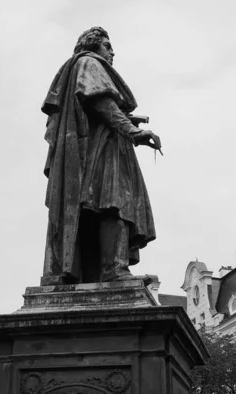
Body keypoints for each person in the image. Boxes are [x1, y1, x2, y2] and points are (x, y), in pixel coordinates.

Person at [41, 26, 162, 286]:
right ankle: (114, 270)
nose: (113, 52)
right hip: (102, 150)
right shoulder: (88, 62)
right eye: (108, 46)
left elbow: (100, 106)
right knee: (115, 202)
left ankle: (111, 269)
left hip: (104, 145)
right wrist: (131, 131)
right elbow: (100, 102)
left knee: (112, 203)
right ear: (93, 45)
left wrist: (128, 120)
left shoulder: (84, 66)